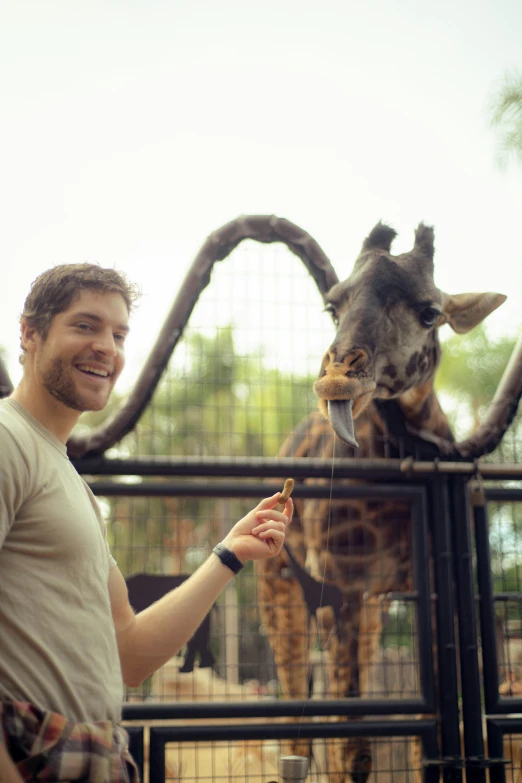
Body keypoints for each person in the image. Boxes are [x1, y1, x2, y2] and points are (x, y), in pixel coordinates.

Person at [0, 264, 293, 783]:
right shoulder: (7, 439)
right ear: (29, 332)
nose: (107, 348)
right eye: (85, 326)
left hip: (94, 755)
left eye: (118, 334)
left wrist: (230, 554)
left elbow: (129, 654)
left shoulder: (71, 484)